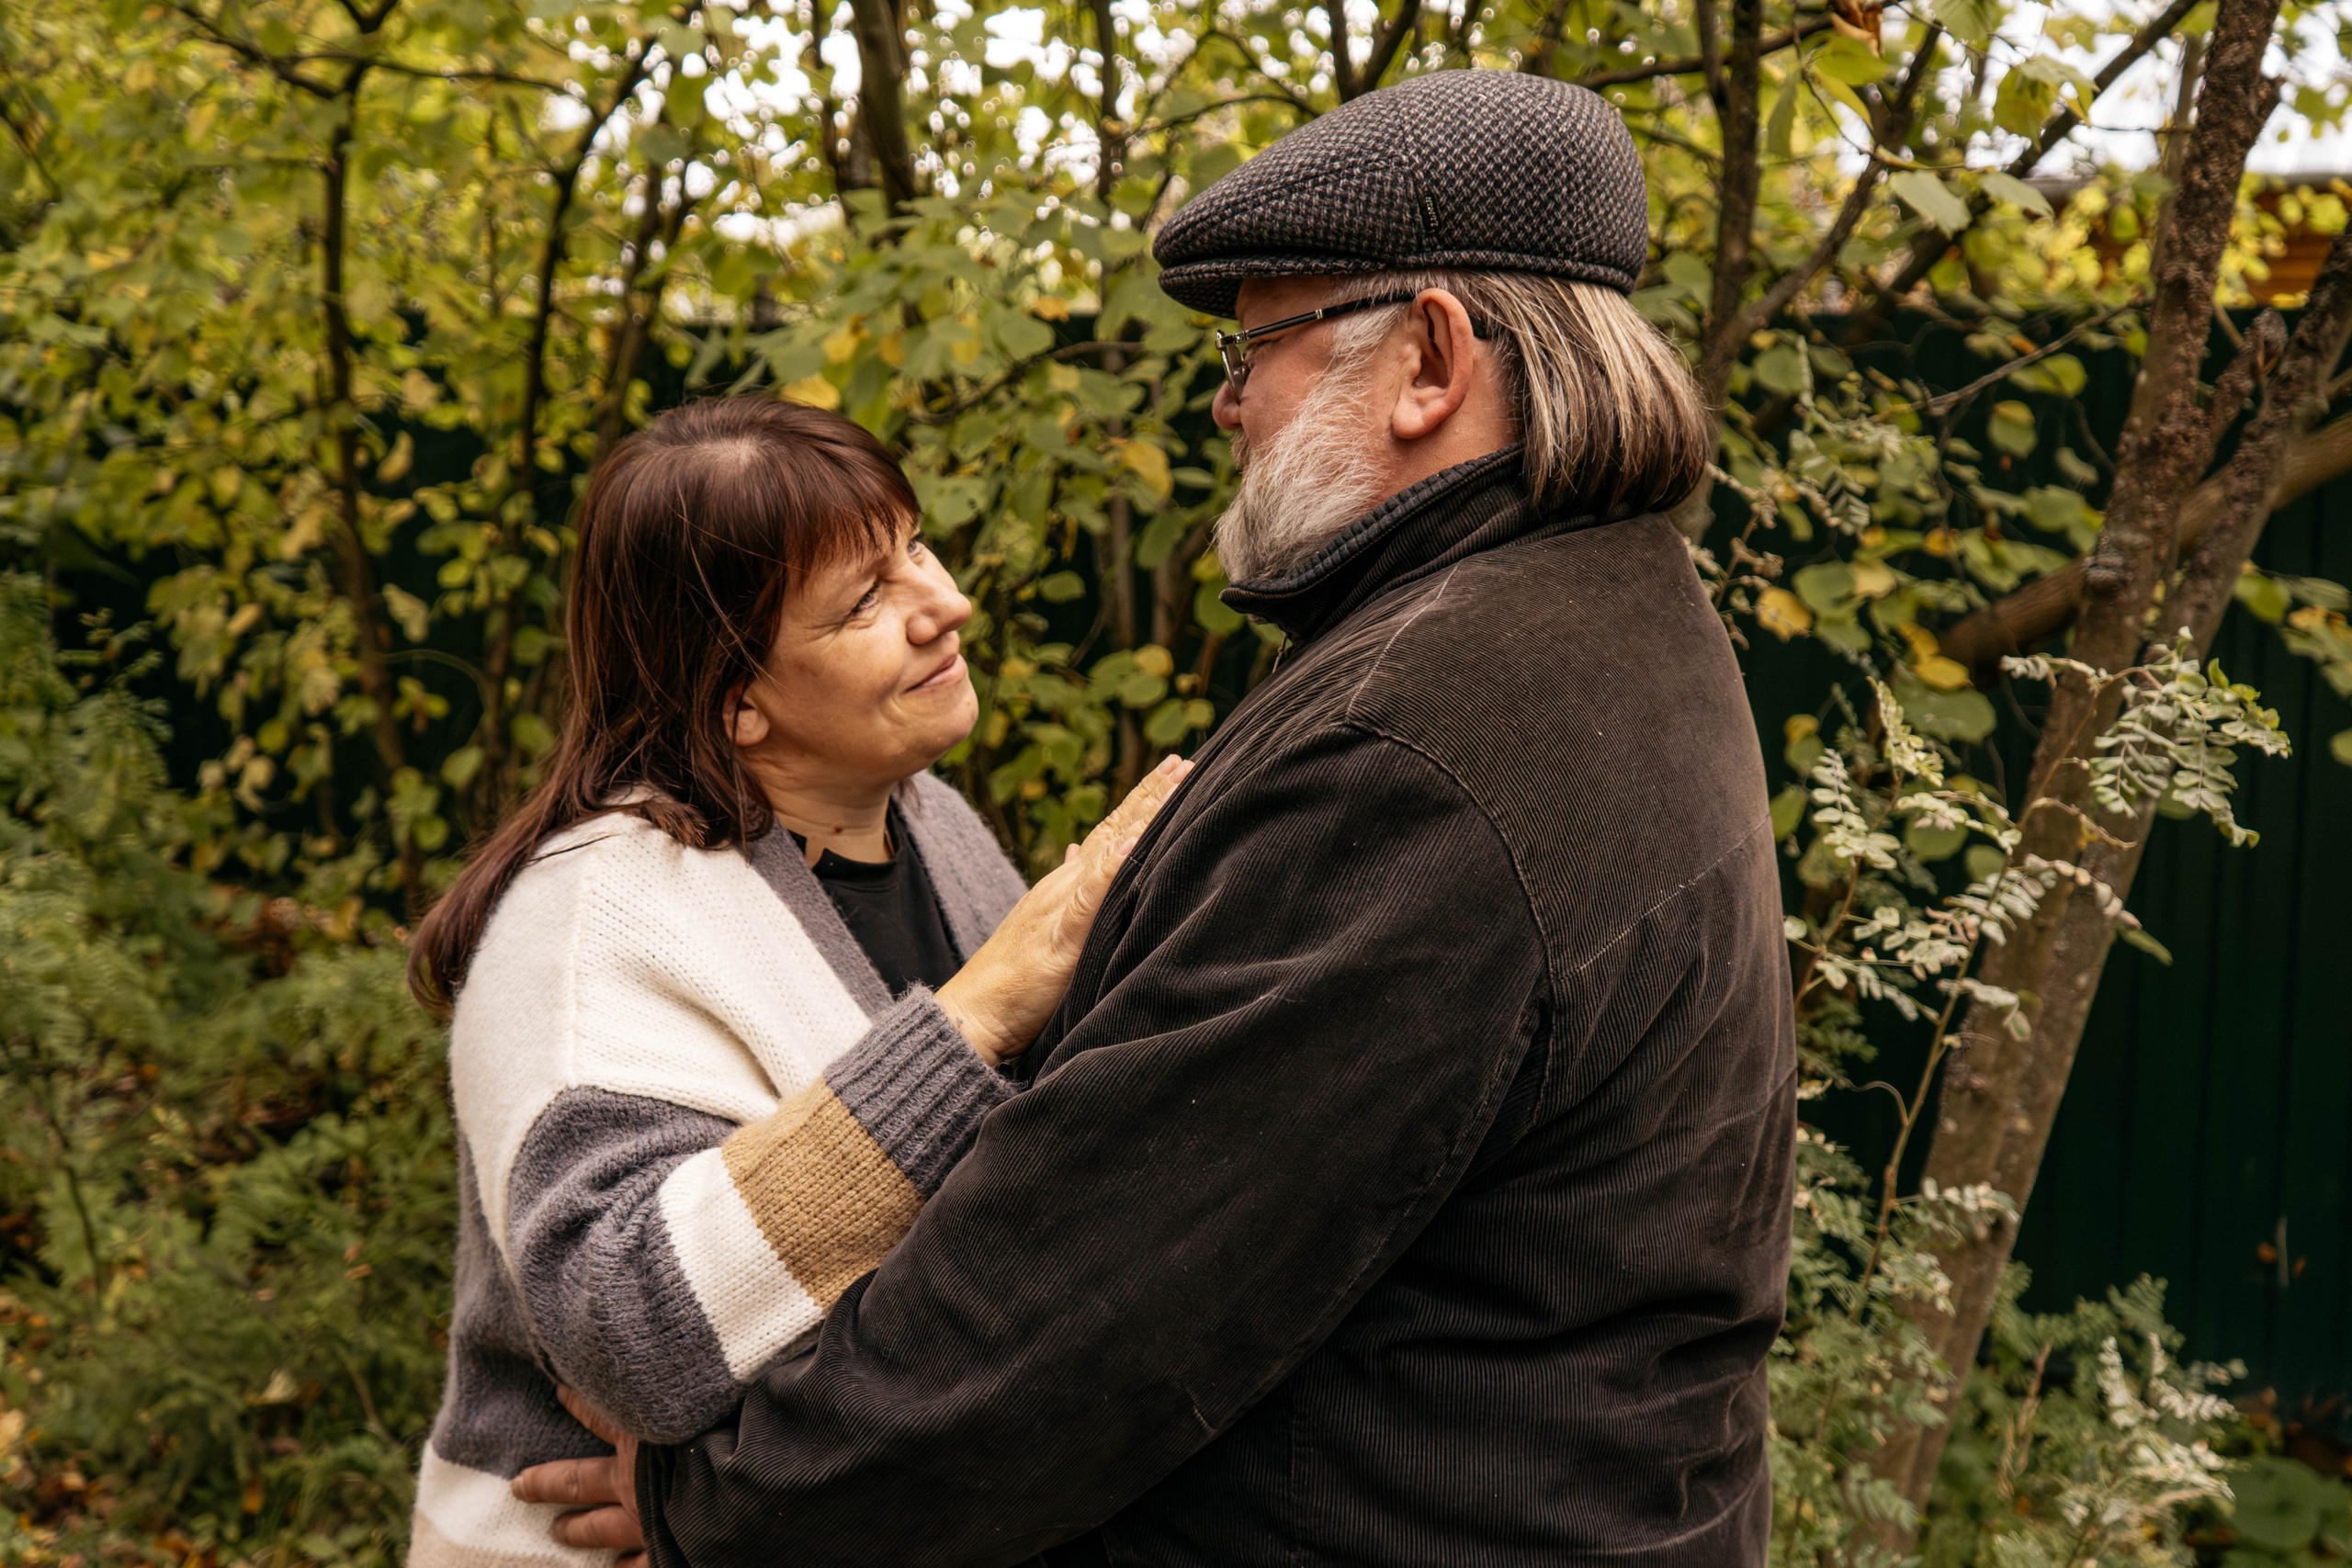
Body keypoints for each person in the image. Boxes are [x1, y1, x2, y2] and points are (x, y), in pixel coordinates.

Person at [517, 68, 1797, 1565]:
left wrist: (710, 1503)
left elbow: (1064, 1322)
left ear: (1430, 359)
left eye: (1258, 344)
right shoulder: (1608, 616)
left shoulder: (1424, 744)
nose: (1227, 399)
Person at [401, 397, 1186, 1567]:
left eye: (914, 546)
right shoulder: (593, 922)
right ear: (737, 700)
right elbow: (624, 1326)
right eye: (865, 600)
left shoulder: (934, 827)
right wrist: (967, 1023)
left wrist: (750, 1502)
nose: (946, 603)